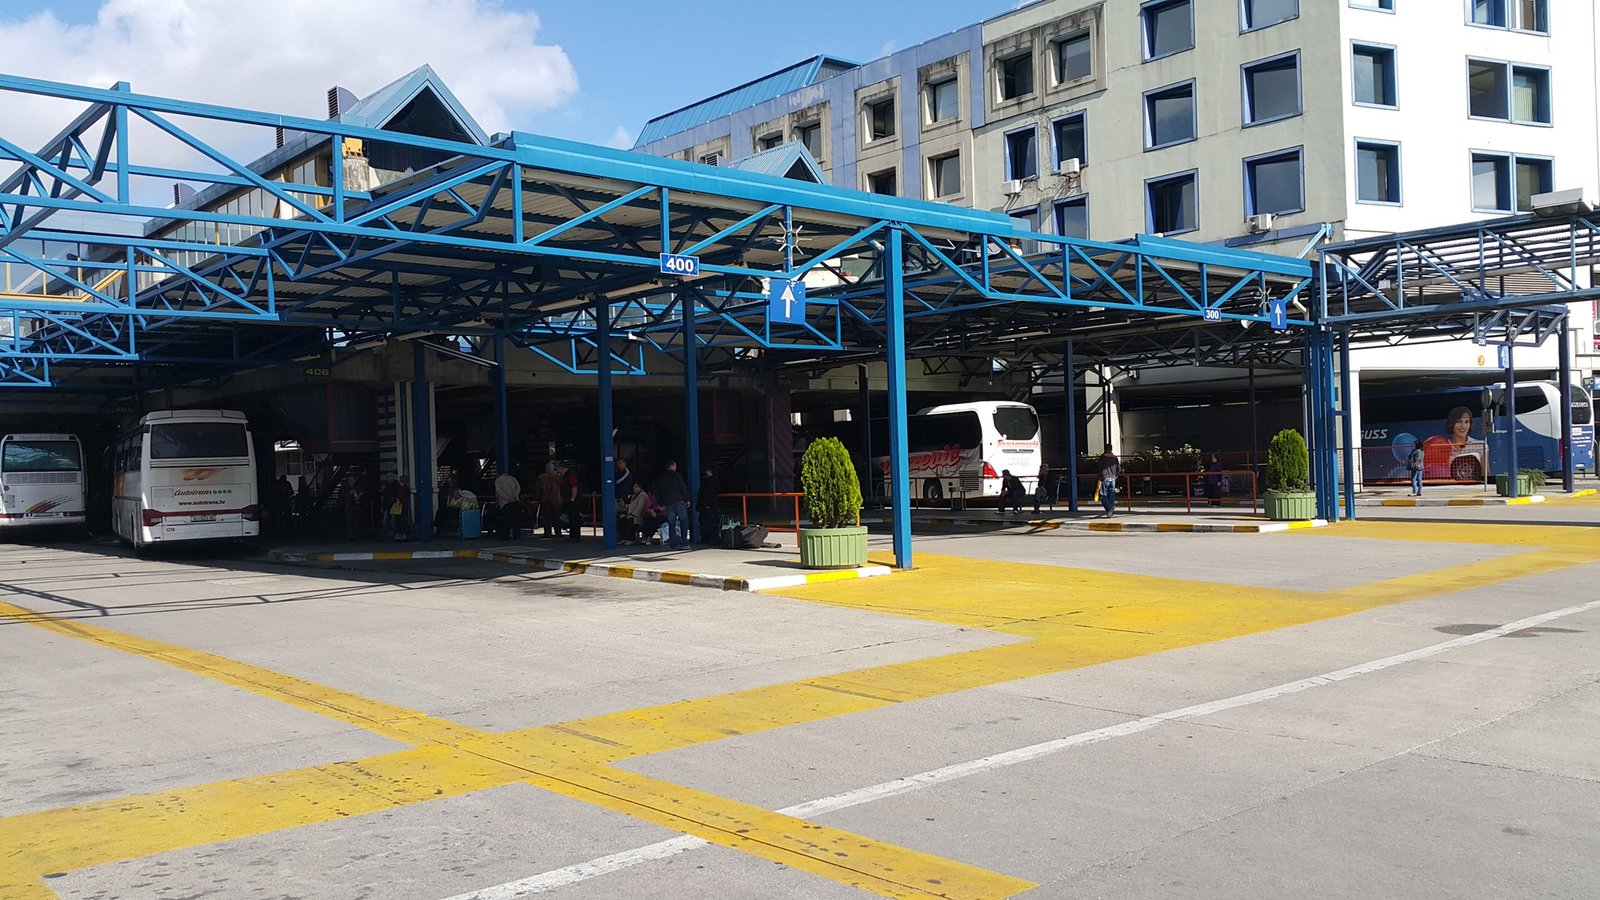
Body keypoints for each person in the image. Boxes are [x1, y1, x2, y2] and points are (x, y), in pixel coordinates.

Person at [655, 459, 691, 549]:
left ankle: (673, 544)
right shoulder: (677, 475)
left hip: (668, 504)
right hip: (679, 502)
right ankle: (684, 543)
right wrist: (687, 499)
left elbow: (657, 491)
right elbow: (683, 487)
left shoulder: (661, 478)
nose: (676, 467)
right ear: (673, 466)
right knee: (684, 522)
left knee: (671, 524)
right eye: (675, 465)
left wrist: (661, 503)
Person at [535, 462, 564, 539]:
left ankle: (547, 533)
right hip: (557, 500)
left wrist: (538, 498)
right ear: (553, 469)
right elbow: (563, 488)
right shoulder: (558, 477)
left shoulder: (541, 478)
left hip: (545, 499)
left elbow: (538, 490)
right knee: (557, 517)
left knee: (547, 518)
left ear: (546, 469)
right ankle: (558, 532)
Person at [494, 467, 522, 540]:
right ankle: (517, 535)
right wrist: (515, 496)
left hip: (505, 502)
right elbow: (518, 487)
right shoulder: (513, 478)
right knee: (516, 519)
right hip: (515, 501)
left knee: (506, 520)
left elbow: (499, 491)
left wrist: (506, 497)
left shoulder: (498, 480)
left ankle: (506, 535)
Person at [696, 466, 721, 545]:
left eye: (707, 471)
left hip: (706, 506)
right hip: (710, 506)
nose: (706, 472)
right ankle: (710, 539)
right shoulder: (714, 481)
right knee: (709, 523)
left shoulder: (709, 481)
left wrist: (707, 504)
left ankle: (706, 538)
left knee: (705, 523)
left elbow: (708, 494)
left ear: (710, 471)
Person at [559, 461, 582, 542]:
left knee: (574, 518)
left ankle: (575, 536)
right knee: (571, 518)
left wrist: (572, 499)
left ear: (563, 468)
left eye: (559, 469)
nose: (559, 471)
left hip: (573, 501)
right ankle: (573, 535)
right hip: (570, 500)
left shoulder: (571, 475)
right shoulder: (568, 475)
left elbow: (574, 487)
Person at [1097, 446, 1121, 517]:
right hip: (1113, 479)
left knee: (1102, 496)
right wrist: (1116, 475)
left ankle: (1109, 508)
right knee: (1111, 496)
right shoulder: (1115, 458)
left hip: (1104, 478)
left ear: (1105, 449)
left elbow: (1099, 468)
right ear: (1111, 449)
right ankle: (1110, 513)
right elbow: (1118, 468)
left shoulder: (1102, 458)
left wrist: (1099, 476)